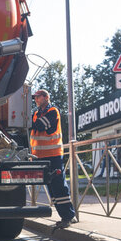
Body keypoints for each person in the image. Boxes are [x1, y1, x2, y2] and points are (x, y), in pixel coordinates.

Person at [30, 89, 76, 229]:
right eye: (35, 98)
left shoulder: (53, 111)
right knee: (51, 188)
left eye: (38, 97)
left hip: (53, 155)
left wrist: (26, 121)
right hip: (39, 156)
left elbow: (42, 126)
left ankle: (68, 216)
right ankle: (65, 216)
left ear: (46, 97)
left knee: (59, 186)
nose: (36, 99)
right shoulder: (36, 113)